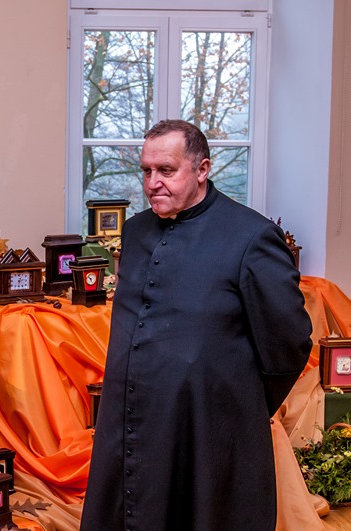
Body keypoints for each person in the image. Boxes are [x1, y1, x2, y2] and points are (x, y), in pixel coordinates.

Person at [80, 120, 313, 531]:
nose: (152, 182)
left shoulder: (253, 236)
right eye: (146, 170)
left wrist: (233, 403)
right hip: (130, 423)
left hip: (210, 429)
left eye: (166, 170)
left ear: (202, 169)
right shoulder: (134, 231)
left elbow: (289, 344)